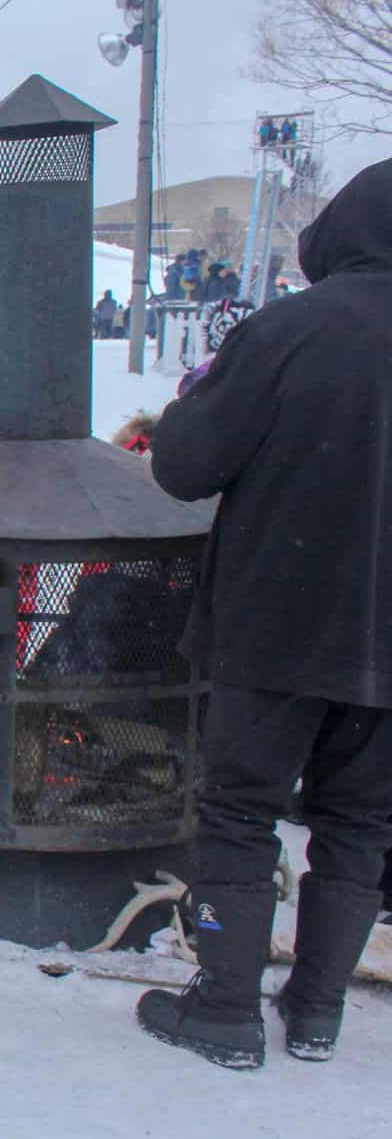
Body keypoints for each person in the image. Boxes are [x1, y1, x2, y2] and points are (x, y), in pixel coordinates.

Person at [135, 162, 392, 1070]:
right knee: (361, 823)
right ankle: (316, 1012)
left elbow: (184, 463)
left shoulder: (290, 331)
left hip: (278, 624)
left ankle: (227, 1007)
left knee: (238, 811)